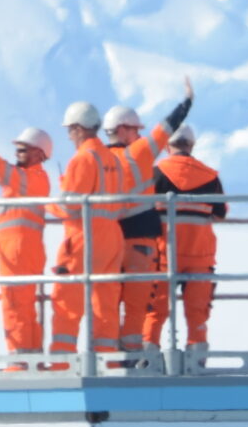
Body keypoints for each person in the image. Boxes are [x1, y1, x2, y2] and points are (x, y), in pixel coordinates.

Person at [105, 82, 194, 359]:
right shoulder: (139, 152)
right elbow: (165, 128)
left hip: (106, 241)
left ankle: (106, 353)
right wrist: (186, 103)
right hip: (140, 240)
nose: (138, 134)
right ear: (122, 129)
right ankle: (131, 354)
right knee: (136, 300)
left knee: (106, 300)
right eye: (134, 129)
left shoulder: (97, 158)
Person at [47, 101, 129, 367]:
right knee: (104, 303)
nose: (69, 136)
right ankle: (108, 363)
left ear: (79, 129)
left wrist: (48, 204)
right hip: (112, 238)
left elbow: (70, 205)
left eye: (70, 130)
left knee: (67, 300)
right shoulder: (111, 159)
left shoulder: (83, 158)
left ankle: (61, 363)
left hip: (84, 237)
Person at [0, 123, 54, 365]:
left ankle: (21, 362)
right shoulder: (25, 181)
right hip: (22, 251)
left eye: (23, 150)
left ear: (39, 154)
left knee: (15, 304)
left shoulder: (31, 178)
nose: (18, 154)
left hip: (18, 251)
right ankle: (31, 358)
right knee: (24, 306)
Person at [144, 123, 226, 355]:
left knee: (153, 311)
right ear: (191, 145)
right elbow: (220, 214)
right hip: (200, 256)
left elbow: (141, 212)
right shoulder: (211, 177)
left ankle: (147, 358)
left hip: (162, 256)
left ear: (167, 146)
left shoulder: (154, 175)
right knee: (197, 313)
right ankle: (197, 359)